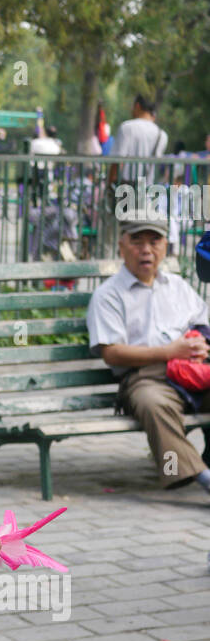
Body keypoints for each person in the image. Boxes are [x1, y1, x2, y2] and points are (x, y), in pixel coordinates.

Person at [87, 211, 210, 494]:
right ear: (122, 246)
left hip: (192, 374)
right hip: (144, 380)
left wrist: (200, 344)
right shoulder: (108, 295)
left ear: (166, 245)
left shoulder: (179, 287)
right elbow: (112, 354)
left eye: (154, 241)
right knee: (154, 404)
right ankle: (203, 479)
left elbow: (203, 327)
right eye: (137, 241)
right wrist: (169, 351)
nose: (146, 250)